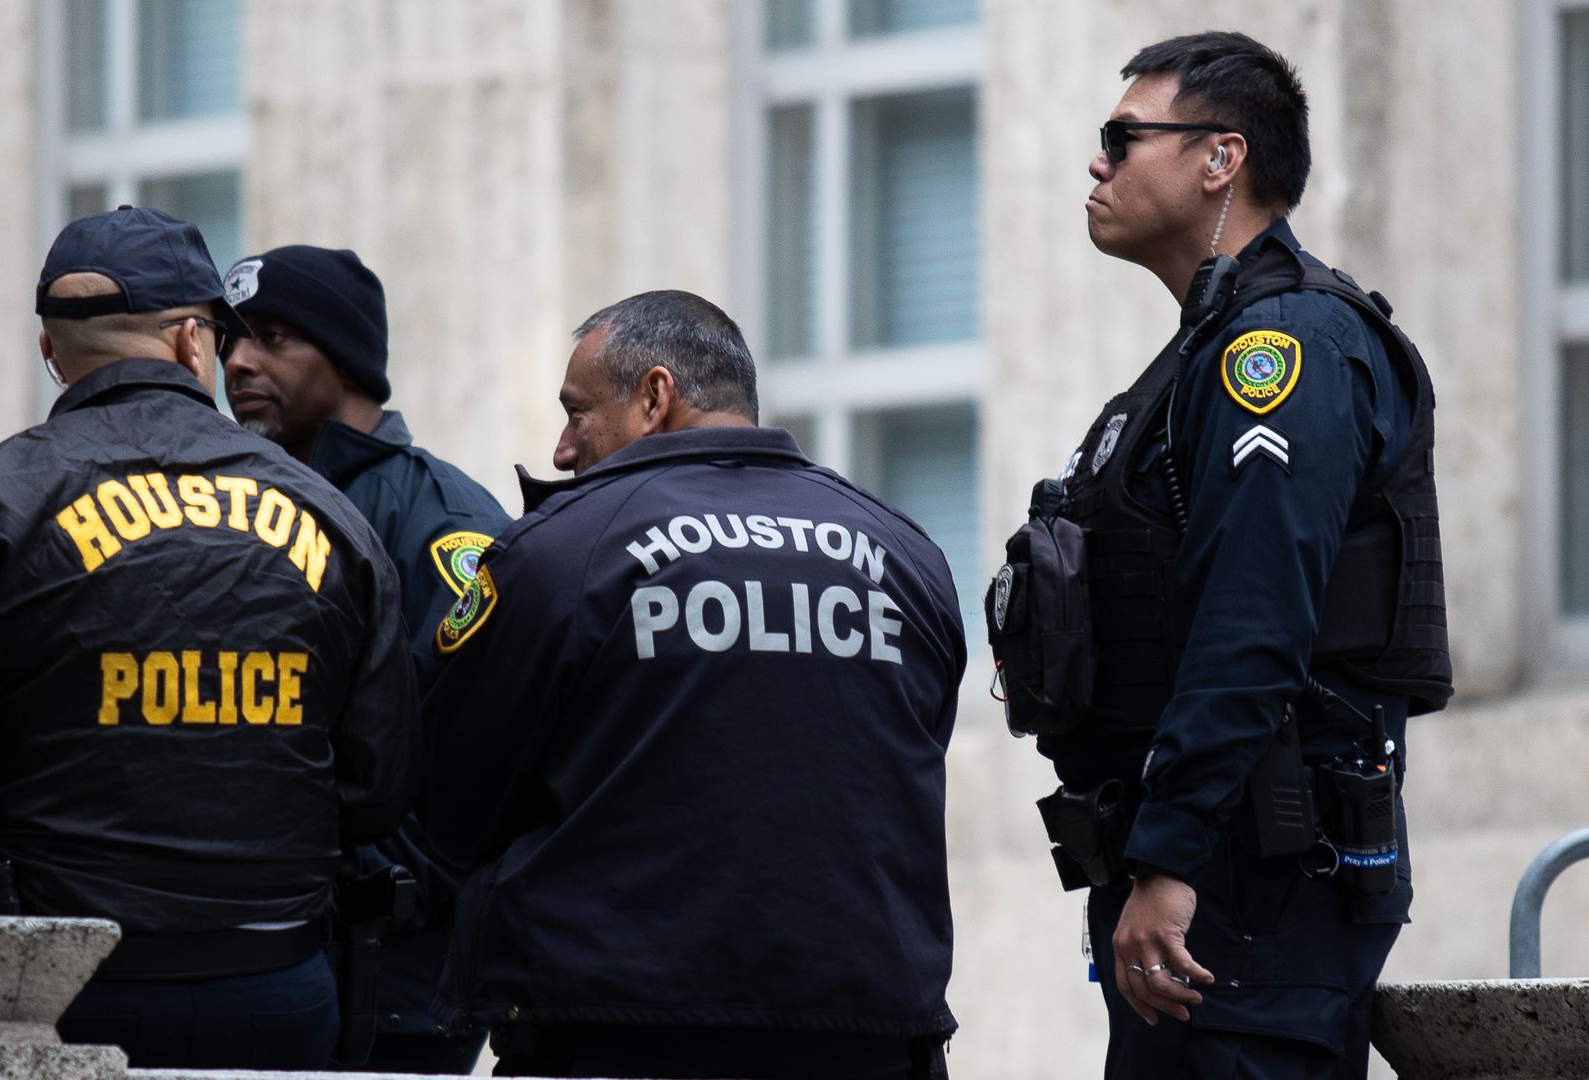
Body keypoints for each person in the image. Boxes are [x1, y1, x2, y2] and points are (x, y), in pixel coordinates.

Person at [0, 206, 419, 1071]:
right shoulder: (332, 517)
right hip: (272, 981)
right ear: (190, 341)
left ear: (50, 351)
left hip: (40, 991)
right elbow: (380, 781)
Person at [995, 32, 1451, 1079]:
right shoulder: (1200, 355)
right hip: (1220, 884)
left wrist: (1171, 858)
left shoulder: (1279, 348)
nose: (1097, 163)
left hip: (1250, 893)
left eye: (1122, 136)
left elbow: (1253, 622)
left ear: (1220, 159)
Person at [421, 289, 967, 1080]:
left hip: (616, 1035)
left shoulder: (561, 554)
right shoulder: (904, 553)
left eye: (577, 412)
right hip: (869, 1033)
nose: (564, 449)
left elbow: (456, 807)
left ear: (654, 396)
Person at [222, 243, 510, 1073]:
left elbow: (477, 756)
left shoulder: (440, 519)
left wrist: (350, 891)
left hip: (398, 986)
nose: (238, 362)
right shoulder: (238, 503)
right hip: (272, 974)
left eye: (272, 338)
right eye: (232, 339)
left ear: (344, 359)